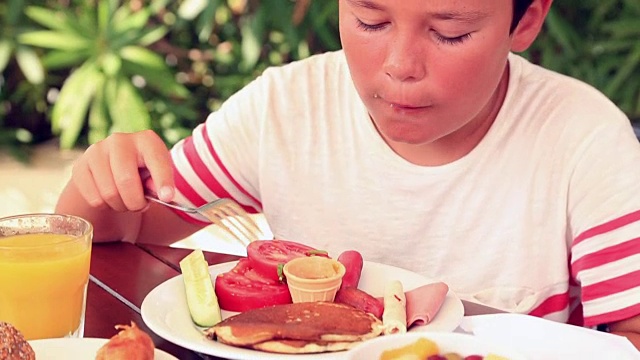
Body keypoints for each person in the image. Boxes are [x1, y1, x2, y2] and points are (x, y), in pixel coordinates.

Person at [56, 0, 640, 348]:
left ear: (527, 19)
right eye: (368, 19)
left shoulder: (582, 139)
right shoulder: (286, 108)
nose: (400, 66)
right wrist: (98, 182)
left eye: (451, 32)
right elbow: (113, 235)